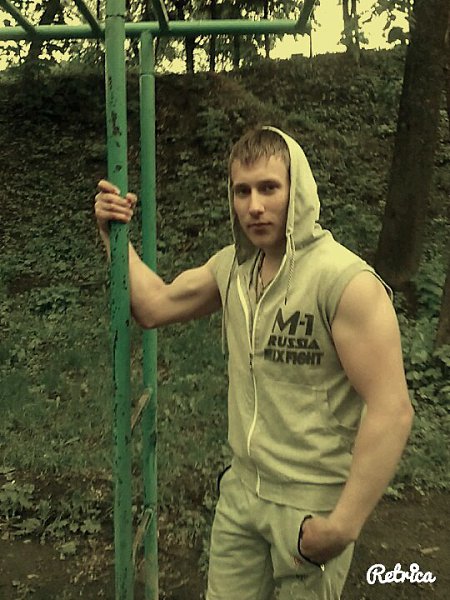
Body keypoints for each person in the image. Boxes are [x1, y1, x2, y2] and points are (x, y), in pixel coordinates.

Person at [95, 126, 414, 600]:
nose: (254, 206)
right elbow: (154, 306)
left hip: (310, 504)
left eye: (269, 188)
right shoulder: (233, 269)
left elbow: (391, 409)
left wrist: (342, 527)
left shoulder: (344, 282)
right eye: (242, 191)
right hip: (241, 495)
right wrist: (113, 236)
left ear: (297, 190)